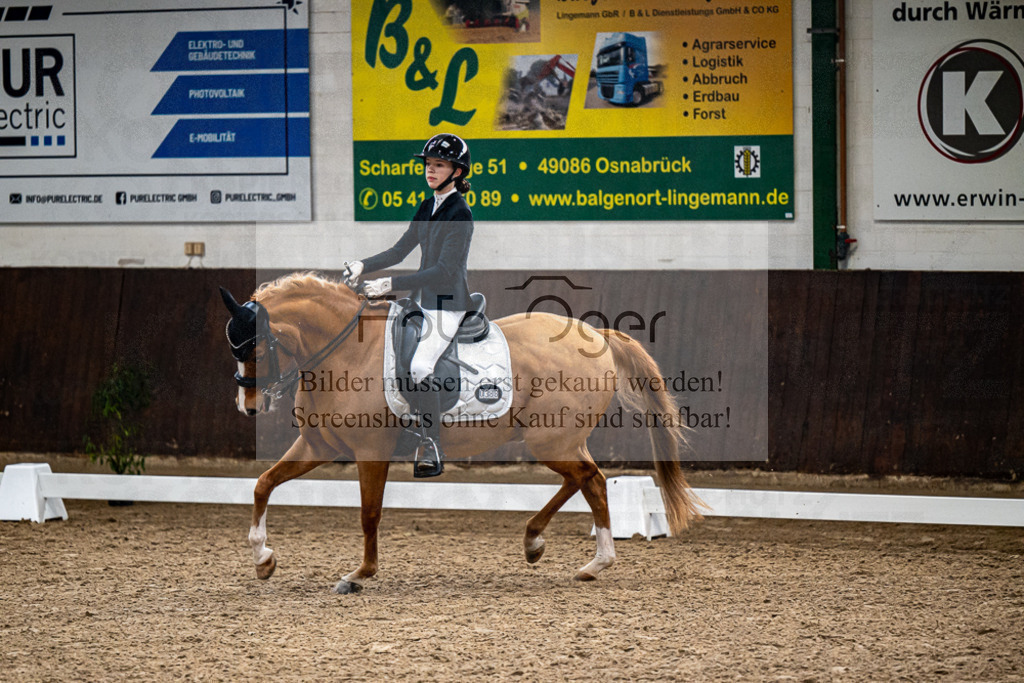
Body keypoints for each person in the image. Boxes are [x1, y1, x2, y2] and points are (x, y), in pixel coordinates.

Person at [343, 133, 474, 478]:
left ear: (457, 172)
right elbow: (399, 251)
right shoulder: (428, 206)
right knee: (386, 356)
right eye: (429, 164)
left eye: (439, 165)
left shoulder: (460, 214)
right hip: (421, 302)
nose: (430, 170)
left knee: (420, 367)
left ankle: (431, 444)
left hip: (447, 305)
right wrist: (362, 265)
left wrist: (390, 284)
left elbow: (444, 271)